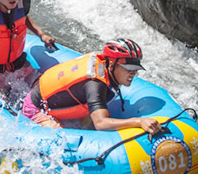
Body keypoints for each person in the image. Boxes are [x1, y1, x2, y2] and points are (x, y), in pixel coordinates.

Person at [22, 37, 162, 133]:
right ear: (112, 64)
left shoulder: (105, 67)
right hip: (36, 108)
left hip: (57, 98)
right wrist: (138, 121)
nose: (133, 73)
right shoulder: (95, 84)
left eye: (135, 69)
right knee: (61, 138)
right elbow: (101, 124)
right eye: (128, 69)